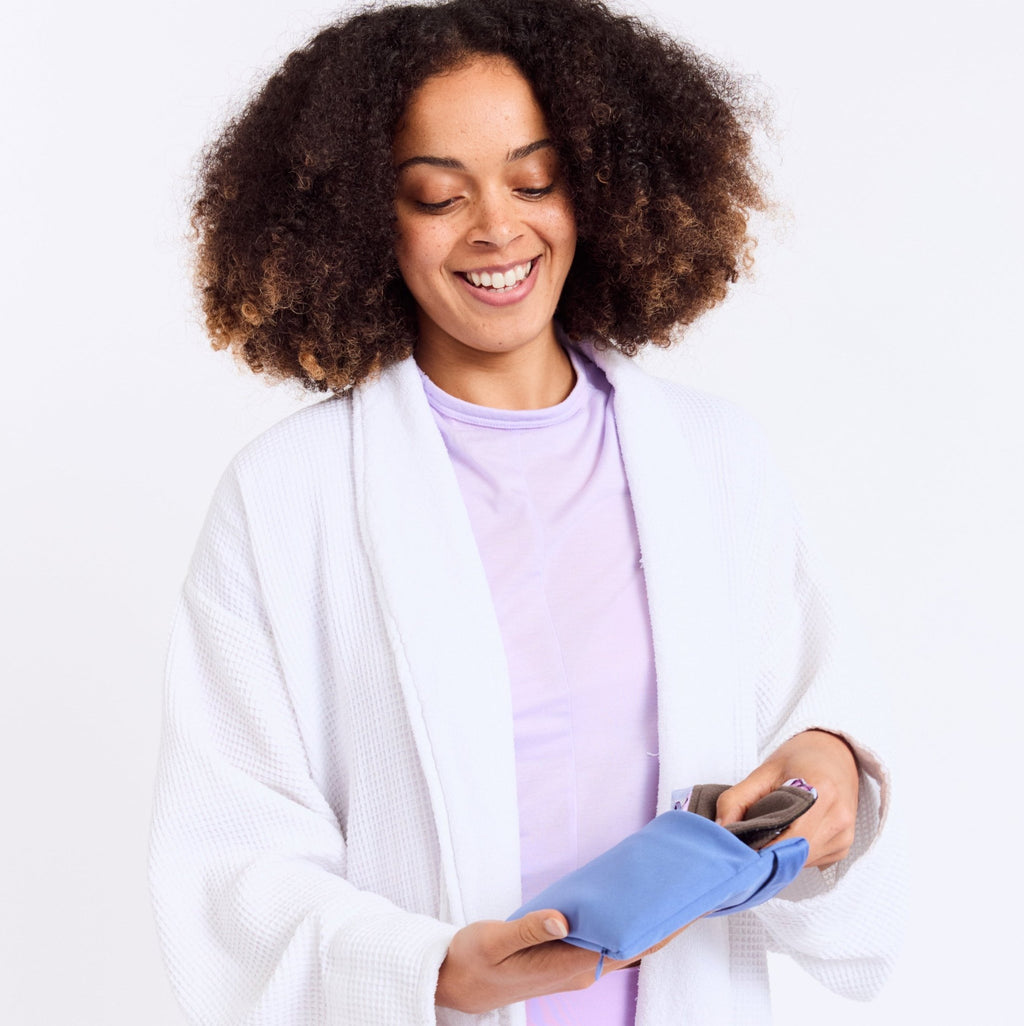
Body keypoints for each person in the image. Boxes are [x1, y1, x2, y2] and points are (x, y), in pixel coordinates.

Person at [149, 1, 902, 1024]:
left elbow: (815, 726)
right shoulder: (288, 498)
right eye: (435, 195)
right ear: (368, 221)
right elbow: (229, 860)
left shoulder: (715, 459)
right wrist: (434, 970)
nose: (498, 228)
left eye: (533, 180)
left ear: (595, 188)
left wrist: (831, 766)